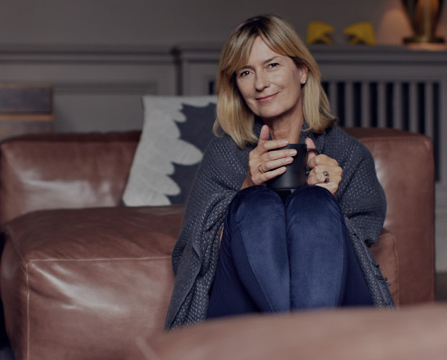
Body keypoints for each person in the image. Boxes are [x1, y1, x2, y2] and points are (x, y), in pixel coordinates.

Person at [164, 15, 393, 330]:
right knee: (254, 204)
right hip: (241, 310)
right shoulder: (224, 155)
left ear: (302, 71)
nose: (260, 83)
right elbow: (187, 258)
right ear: (236, 85)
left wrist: (327, 200)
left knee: (314, 204)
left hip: (335, 306)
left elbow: (360, 256)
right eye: (246, 72)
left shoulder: (348, 155)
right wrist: (245, 187)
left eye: (272, 65)